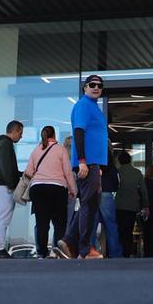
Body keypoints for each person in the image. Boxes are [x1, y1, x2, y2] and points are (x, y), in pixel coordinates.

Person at [55, 74, 109, 259]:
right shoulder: (84, 105)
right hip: (87, 163)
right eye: (92, 85)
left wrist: (96, 165)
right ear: (85, 88)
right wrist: (83, 162)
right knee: (89, 204)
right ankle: (85, 248)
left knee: (90, 202)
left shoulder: (93, 107)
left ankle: (69, 240)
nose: (96, 88)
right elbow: (79, 133)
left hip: (93, 163)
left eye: (99, 86)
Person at [23, 125, 75, 258]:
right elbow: (67, 172)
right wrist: (72, 189)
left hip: (38, 189)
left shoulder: (35, 151)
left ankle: (41, 253)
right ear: (54, 136)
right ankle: (55, 251)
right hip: (56, 188)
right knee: (59, 222)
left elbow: (29, 172)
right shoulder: (61, 149)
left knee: (41, 223)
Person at [0, 119, 23, 258]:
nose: (21, 136)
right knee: (4, 217)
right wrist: (11, 185)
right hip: (4, 185)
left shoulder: (0, 144)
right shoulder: (7, 145)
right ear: (14, 131)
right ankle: (0, 248)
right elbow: (7, 167)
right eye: (20, 133)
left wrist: (20, 174)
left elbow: (5, 167)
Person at [114, 151, 148, 257]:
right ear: (130, 160)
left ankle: (119, 250)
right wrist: (146, 205)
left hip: (119, 205)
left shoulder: (117, 172)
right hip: (132, 206)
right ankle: (127, 251)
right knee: (128, 229)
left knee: (119, 228)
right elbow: (143, 191)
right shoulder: (137, 172)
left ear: (119, 161)